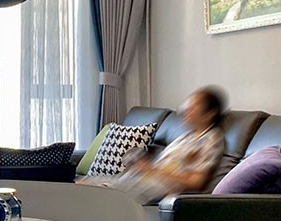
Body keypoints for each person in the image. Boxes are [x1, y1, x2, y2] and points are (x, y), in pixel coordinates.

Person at [86, 87, 227, 204]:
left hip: (161, 187)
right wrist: (144, 167)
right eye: (187, 106)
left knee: (95, 192)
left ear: (209, 114)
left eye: (193, 107)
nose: (185, 110)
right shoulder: (186, 137)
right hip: (142, 178)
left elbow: (195, 182)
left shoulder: (211, 140)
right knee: (83, 185)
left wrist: (153, 170)